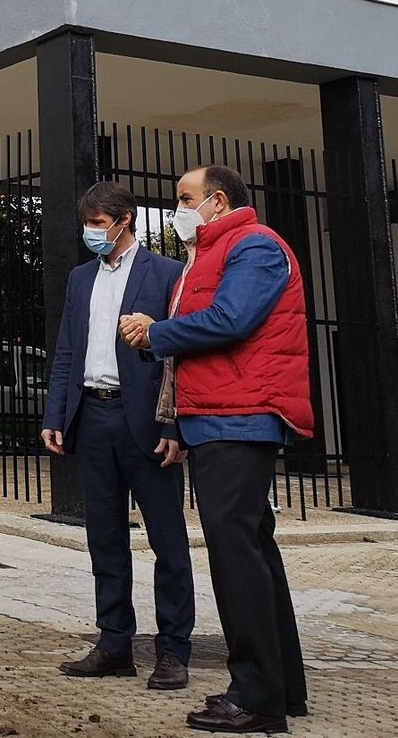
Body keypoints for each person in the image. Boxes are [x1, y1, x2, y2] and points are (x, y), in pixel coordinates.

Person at [121, 165, 313, 734]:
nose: (178, 209)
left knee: (236, 559)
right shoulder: (207, 256)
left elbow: (231, 320)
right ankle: (281, 690)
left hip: (241, 417)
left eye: (186, 198)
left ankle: (256, 698)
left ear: (219, 200)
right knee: (252, 554)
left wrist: (155, 332)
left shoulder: (255, 245)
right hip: (219, 418)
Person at [42, 181, 194, 692]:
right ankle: (113, 645)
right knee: (104, 539)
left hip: (147, 423)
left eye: (98, 224)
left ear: (124, 220)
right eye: (87, 224)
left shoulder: (167, 273)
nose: (90, 233)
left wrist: (175, 424)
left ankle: (173, 651)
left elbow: (180, 356)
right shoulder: (80, 277)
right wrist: (56, 413)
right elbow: (67, 348)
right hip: (92, 418)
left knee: (167, 540)